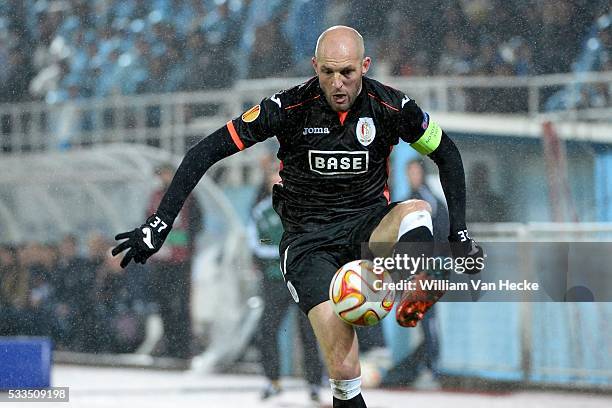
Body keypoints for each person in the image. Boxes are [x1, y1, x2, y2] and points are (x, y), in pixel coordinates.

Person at [113, 26, 483, 408]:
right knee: (344, 372)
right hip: (310, 245)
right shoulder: (287, 108)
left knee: (417, 211)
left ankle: (410, 281)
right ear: (314, 67)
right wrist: (158, 225)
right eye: (327, 72)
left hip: (366, 229)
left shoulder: (392, 107)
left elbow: (448, 153)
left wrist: (459, 233)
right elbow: (203, 152)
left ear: (365, 66)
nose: (337, 83)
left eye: (347, 72)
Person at [249, 159, 323, 402]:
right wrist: (280, 249)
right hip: (275, 280)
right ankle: (273, 380)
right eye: (274, 175)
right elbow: (257, 243)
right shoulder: (261, 210)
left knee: (309, 332)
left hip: (301, 280)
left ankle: (314, 383)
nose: (278, 180)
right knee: (267, 330)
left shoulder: (305, 205)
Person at [147, 163, 203, 360]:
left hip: (181, 259)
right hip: (161, 259)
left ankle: (183, 347)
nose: (163, 177)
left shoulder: (188, 194)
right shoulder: (155, 196)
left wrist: (187, 244)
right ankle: (170, 345)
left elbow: (196, 223)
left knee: (180, 303)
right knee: (164, 303)